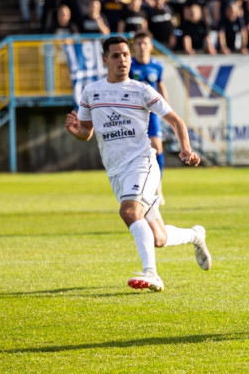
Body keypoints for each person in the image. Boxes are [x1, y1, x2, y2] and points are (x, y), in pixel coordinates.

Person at [65, 36, 211, 292]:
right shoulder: (91, 91)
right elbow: (87, 132)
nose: (122, 60)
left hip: (142, 163)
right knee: (159, 238)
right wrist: (75, 130)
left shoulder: (141, 90)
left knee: (130, 212)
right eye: (116, 55)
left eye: (125, 55)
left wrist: (186, 148)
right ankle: (196, 235)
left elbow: (176, 120)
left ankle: (151, 274)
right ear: (105, 60)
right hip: (116, 171)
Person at [130, 31, 169, 204]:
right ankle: (137, 187)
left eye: (145, 43)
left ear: (151, 46)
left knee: (158, 148)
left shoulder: (157, 66)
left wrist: (166, 109)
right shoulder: (130, 66)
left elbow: (161, 85)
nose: (142, 46)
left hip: (152, 114)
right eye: (138, 43)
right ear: (134, 46)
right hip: (135, 114)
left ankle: (158, 187)